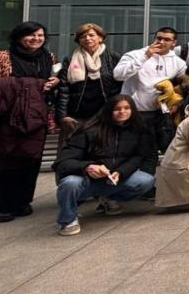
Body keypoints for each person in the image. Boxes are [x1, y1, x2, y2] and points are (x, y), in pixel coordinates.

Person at [0, 21, 59, 223]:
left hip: (36, 119)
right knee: (4, 163)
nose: (36, 39)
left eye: (40, 36)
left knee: (31, 161)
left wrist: (54, 84)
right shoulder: (1, 57)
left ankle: (22, 202)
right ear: (18, 37)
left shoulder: (49, 59)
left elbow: (54, 86)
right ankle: (0, 206)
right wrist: (29, 86)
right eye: (31, 35)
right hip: (6, 119)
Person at [53, 95, 156, 235]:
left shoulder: (137, 130)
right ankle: (67, 220)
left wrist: (121, 172)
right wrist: (88, 166)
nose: (122, 112)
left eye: (127, 108)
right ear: (108, 111)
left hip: (112, 178)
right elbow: (61, 162)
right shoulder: (89, 130)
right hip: (86, 179)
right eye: (117, 109)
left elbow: (138, 156)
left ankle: (109, 198)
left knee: (146, 180)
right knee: (70, 183)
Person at [113, 27, 188, 152]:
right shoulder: (134, 55)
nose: (162, 42)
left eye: (167, 39)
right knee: (129, 149)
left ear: (174, 43)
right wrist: (145, 56)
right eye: (159, 38)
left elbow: (182, 87)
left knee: (153, 150)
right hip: (134, 111)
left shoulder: (179, 63)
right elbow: (118, 75)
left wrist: (176, 103)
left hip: (159, 113)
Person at [55, 23, 123, 147]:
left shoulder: (113, 57)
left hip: (104, 115)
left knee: (102, 151)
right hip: (77, 115)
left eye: (92, 35)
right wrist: (62, 116)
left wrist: (117, 111)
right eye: (83, 36)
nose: (87, 39)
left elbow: (121, 87)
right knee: (71, 151)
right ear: (78, 40)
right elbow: (63, 89)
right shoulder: (70, 60)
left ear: (100, 38)